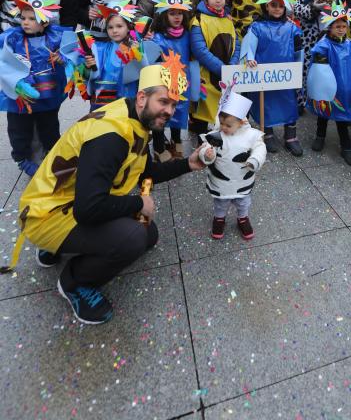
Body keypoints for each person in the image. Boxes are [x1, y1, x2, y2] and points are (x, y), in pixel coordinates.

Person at [2, 63, 205, 324]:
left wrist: (189, 164)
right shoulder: (112, 135)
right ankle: (74, 282)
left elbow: (145, 171)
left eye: (174, 104)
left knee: (148, 234)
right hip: (48, 215)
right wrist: (138, 202)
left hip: (68, 200)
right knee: (134, 238)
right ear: (142, 97)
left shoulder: (133, 117)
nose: (169, 111)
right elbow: (88, 208)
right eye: (163, 101)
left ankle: (58, 248)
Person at [0, 0, 69, 176]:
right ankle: (22, 160)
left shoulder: (56, 36)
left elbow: (73, 53)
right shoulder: (12, 38)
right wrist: (16, 82)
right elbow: (3, 61)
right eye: (23, 18)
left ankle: (53, 158)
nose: (25, 22)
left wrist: (62, 58)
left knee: (50, 128)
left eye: (32, 19)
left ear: (44, 22)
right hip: (20, 97)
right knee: (18, 130)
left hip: (48, 96)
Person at [240, 0, 303, 156]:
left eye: (280, 6)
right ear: (266, 6)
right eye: (273, 5)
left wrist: (298, 71)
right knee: (265, 103)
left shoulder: (292, 28)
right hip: (265, 76)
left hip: (285, 75)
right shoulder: (257, 27)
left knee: (289, 103)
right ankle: (267, 133)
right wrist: (250, 59)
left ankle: (290, 136)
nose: (277, 9)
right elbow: (249, 46)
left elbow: (299, 51)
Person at [205, 87, 266, 241]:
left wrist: (254, 160)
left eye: (228, 125)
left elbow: (260, 148)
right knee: (220, 202)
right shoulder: (216, 135)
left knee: (243, 201)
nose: (223, 127)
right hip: (221, 182)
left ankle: (243, 218)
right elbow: (206, 147)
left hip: (242, 181)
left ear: (241, 122)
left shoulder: (251, 135)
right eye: (222, 123)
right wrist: (206, 154)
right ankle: (219, 218)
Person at [77, 0, 159, 109]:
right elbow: (88, 75)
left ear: (128, 27)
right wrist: (88, 67)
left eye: (119, 26)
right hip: (102, 102)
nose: (114, 30)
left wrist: (139, 55)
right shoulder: (98, 48)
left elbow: (145, 73)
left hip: (127, 101)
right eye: (110, 27)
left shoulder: (136, 47)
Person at [307, 2, 351, 166]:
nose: (341, 29)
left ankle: (346, 146)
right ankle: (320, 136)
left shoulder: (350, 45)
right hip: (328, 86)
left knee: (342, 116)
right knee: (324, 112)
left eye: (344, 26)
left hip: (345, 88)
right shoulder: (324, 45)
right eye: (337, 26)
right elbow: (318, 67)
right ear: (330, 27)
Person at [190, 0, 240, 139]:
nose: (218, 1)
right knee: (203, 114)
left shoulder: (228, 19)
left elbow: (236, 42)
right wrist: (222, 69)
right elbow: (200, 50)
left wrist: (232, 64)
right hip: (206, 75)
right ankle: (201, 141)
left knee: (222, 111)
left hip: (225, 76)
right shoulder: (199, 20)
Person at [294, 0, 344, 107]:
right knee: (306, 69)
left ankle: (326, 102)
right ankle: (302, 100)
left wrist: (334, 10)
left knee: (328, 70)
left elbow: (344, 12)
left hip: (331, 37)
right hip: (309, 37)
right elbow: (297, 10)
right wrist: (314, 8)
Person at [151, 0, 193, 160]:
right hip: (163, 83)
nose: (177, 17)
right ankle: (159, 147)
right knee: (160, 114)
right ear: (164, 15)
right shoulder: (157, 37)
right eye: (172, 13)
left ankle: (176, 142)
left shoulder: (188, 35)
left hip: (182, 82)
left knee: (179, 112)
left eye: (180, 13)